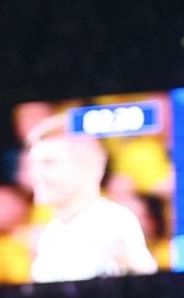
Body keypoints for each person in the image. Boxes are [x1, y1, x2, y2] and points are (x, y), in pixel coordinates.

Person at [24, 115, 159, 282]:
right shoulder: (48, 236)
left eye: (49, 163)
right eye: (33, 164)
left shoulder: (113, 221)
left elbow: (148, 292)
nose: (35, 174)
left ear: (89, 166)